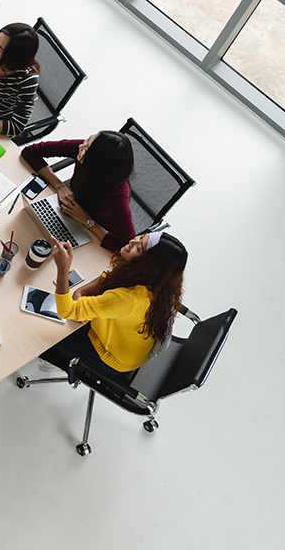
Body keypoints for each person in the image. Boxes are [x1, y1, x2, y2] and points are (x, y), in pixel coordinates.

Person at [44, 232, 188, 380]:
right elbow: (111, 278)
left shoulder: (129, 300)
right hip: (122, 339)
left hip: (108, 357)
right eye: (140, 237)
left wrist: (63, 269)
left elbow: (67, 311)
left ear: (146, 265)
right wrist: (80, 292)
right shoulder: (157, 283)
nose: (133, 241)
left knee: (37, 331)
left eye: (139, 248)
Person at [21, 130, 136, 251]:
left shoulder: (118, 194)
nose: (81, 146)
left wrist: (87, 221)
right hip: (69, 213)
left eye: (87, 149)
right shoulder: (83, 148)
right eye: (88, 139)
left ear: (97, 164)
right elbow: (30, 152)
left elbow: (127, 248)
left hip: (95, 234)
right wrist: (60, 186)